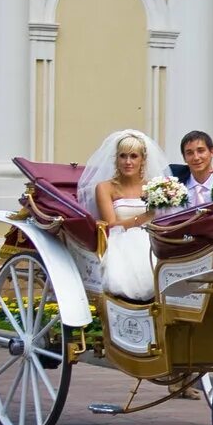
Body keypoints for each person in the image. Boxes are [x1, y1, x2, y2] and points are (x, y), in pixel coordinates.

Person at [76, 129, 173, 302]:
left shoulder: (154, 187)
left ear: (143, 159)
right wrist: (145, 216)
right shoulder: (105, 188)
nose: (128, 162)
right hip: (120, 239)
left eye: (134, 156)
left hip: (153, 236)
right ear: (117, 159)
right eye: (123, 156)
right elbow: (111, 224)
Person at [170, 130, 213, 206]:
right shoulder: (173, 177)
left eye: (200, 151)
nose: (196, 157)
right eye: (189, 153)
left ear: (212, 152)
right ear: (184, 157)